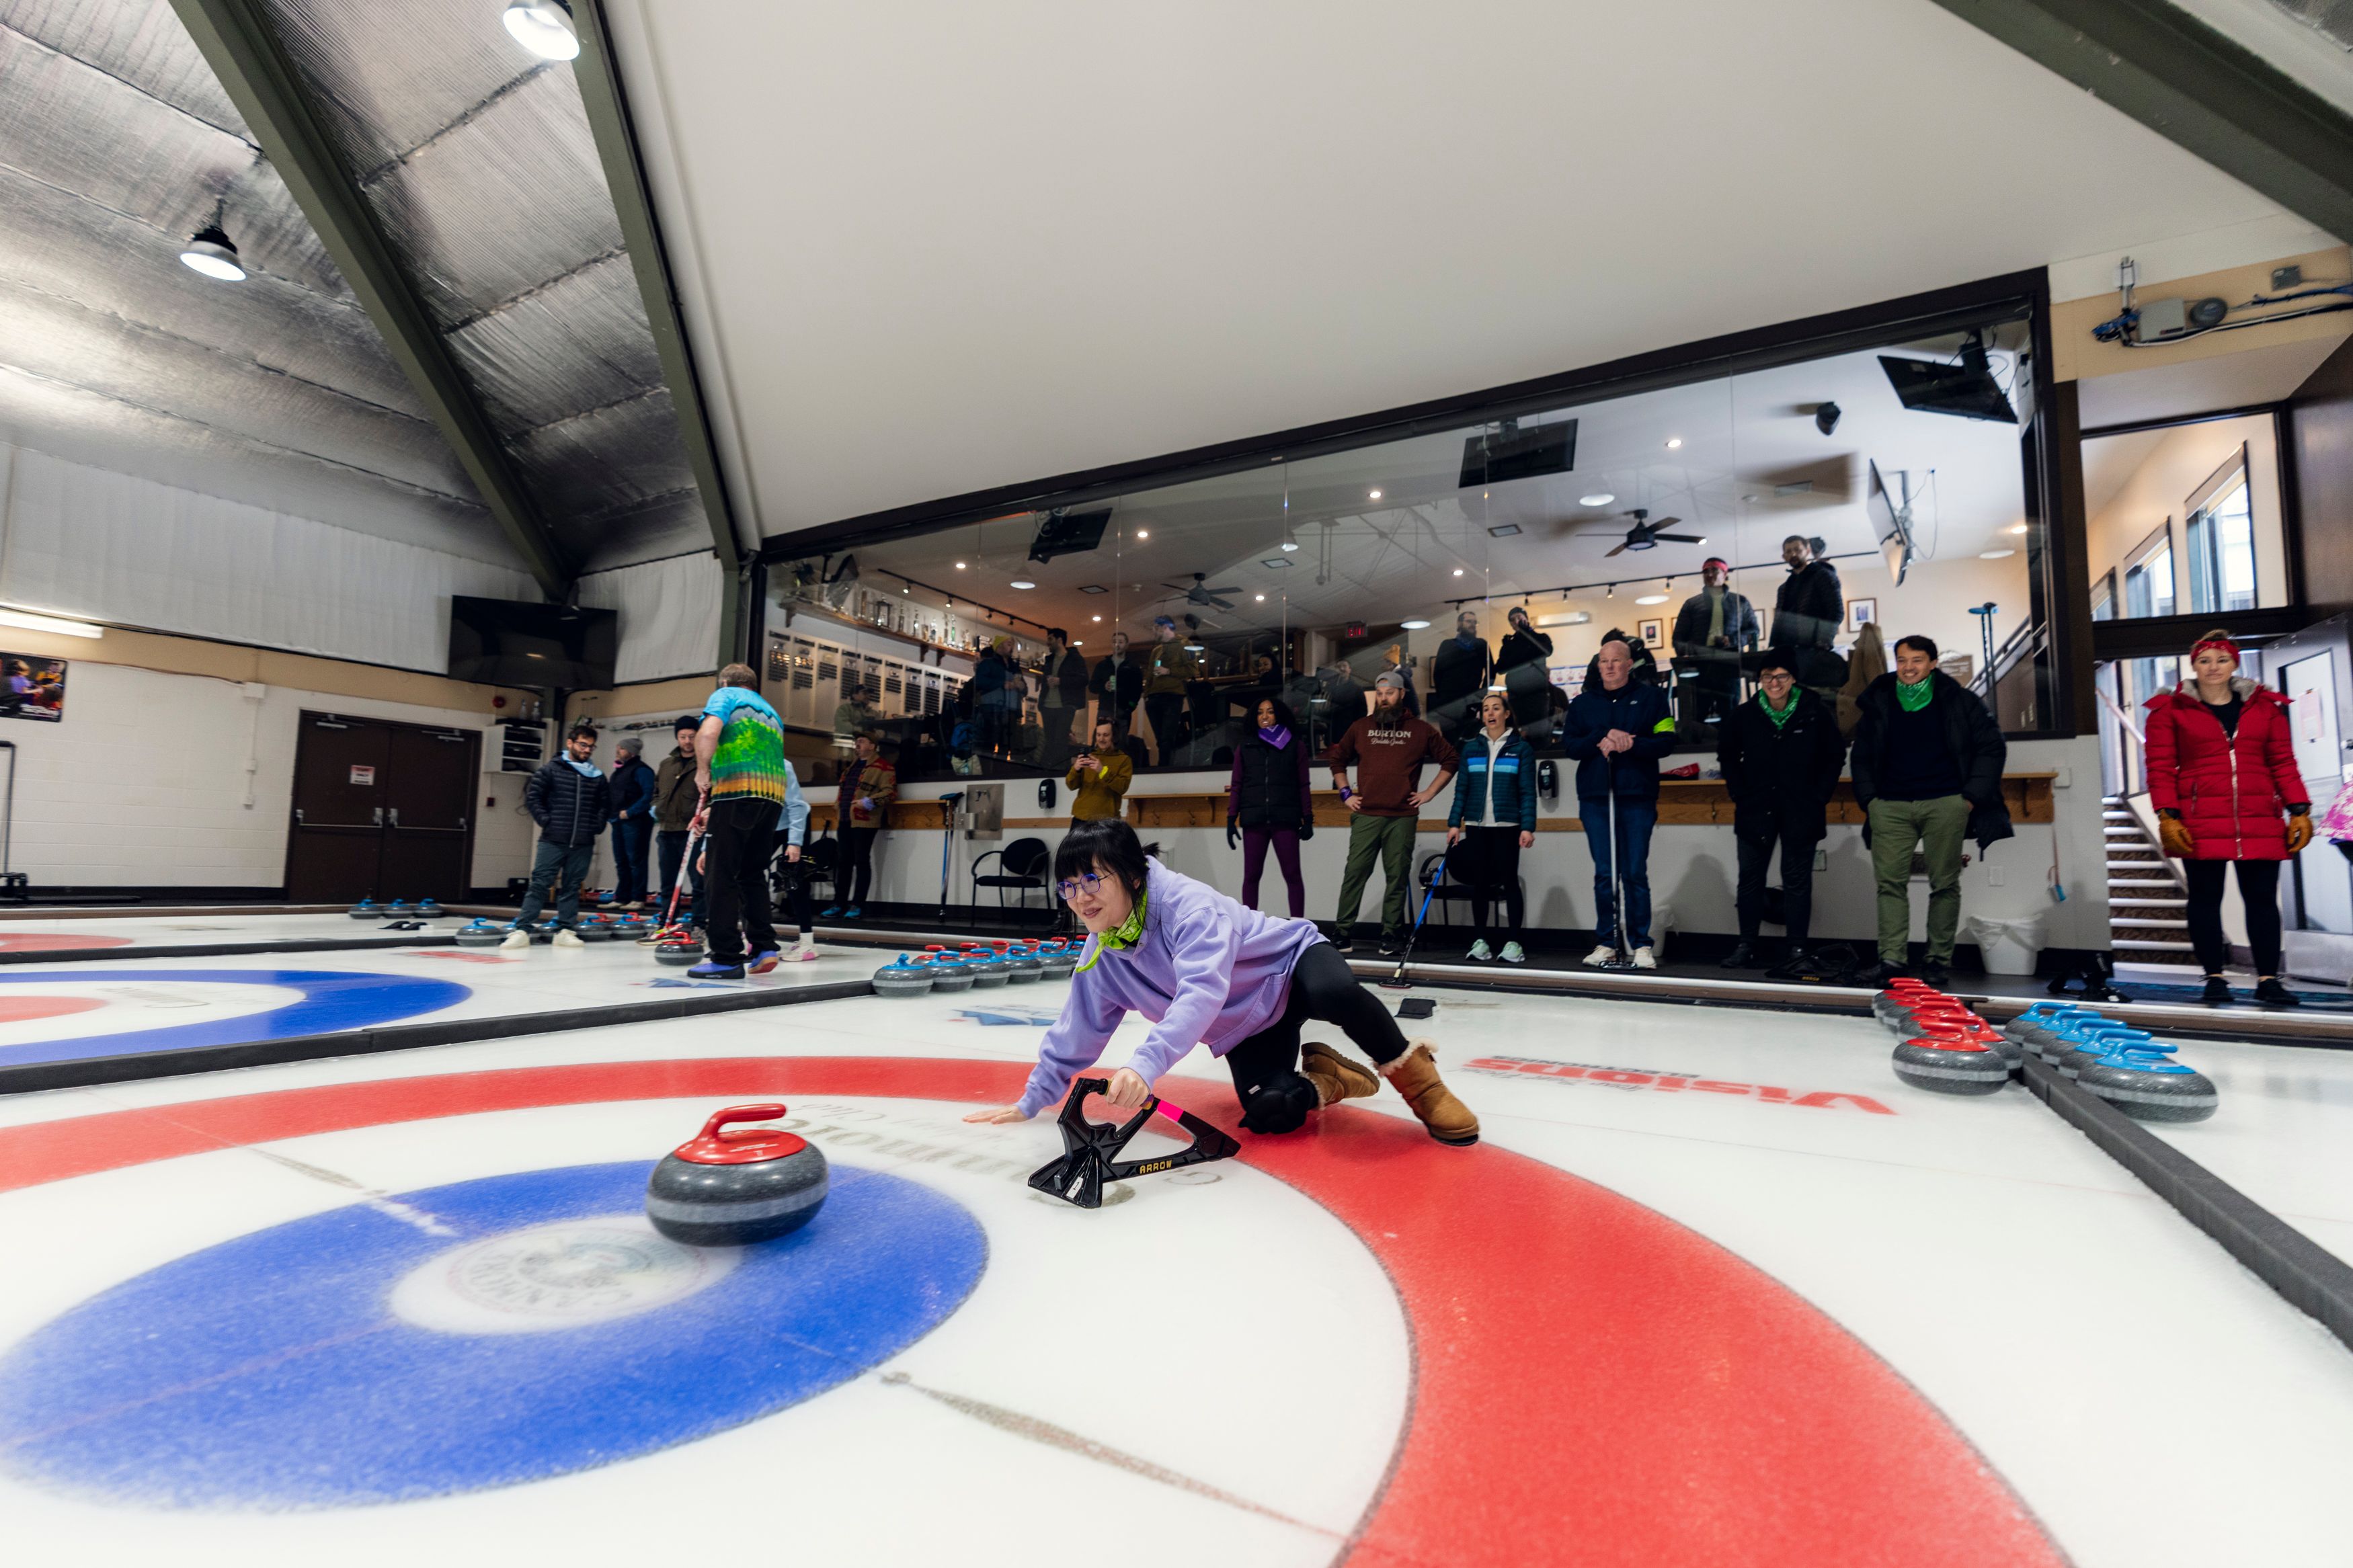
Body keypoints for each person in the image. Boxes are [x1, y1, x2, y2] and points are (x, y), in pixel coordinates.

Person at [960, 819, 1478, 1145]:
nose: (1080, 897)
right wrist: (1030, 1100)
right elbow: (1078, 1030)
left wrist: (1144, 1064)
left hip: (1290, 965)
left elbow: (1201, 994)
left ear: (1133, 875)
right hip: (1250, 1024)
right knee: (1270, 1112)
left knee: (1335, 992)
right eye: (1069, 885)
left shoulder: (1188, 908)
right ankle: (1329, 1078)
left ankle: (1423, 1085)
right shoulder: (1101, 954)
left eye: (1093, 879)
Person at [2144, 631, 2311, 1007]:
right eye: (2205, 661)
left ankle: (2268, 980)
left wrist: (2299, 809)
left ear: (2235, 663)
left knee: (2263, 900)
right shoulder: (2169, 711)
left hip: (2260, 818)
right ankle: (2215, 978)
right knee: (2205, 899)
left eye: (2222, 659)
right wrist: (2167, 815)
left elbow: (2283, 762)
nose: (2213, 667)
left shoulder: (2265, 707)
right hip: (2199, 820)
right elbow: (2159, 767)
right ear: (2194, 666)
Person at [1848, 634, 2013, 987]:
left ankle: (1937, 961)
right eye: (1902, 660)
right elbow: (1861, 755)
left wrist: (1969, 798)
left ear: (1933, 663)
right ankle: (1892, 960)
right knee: (1889, 885)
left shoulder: (1960, 700)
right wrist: (1870, 800)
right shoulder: (1879, 699)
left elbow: (1991, 747)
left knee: (1945, 884)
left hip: (1946, 803)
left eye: (1917, 660)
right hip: (1889, 806)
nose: (1908, 668)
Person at [1716, 652, 1847, 975]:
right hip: (1755, 810)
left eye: (1781, 677)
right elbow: (1727, 756)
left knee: (1797, 881)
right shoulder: (1745, 714)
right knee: (1750, 879)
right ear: (1759, 680)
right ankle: (1746, 945)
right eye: (1767, 677)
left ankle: (1797, 949)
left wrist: (1819, 797)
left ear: (1793, 679)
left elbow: (1834, 757)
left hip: (1801, 809)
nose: (1774, 683)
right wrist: (1740, 794)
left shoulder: (1815, 712)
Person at [1562, 639, 1677, 968]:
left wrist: (1631, 743)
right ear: (1598, 666)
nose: (1609, 666)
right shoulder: (1582, 703)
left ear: (1629, 664)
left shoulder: (1653, 698)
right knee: (1605, 874)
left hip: (1637, 796)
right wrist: (1601, 736)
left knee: (1635, 872)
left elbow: (1667, 741)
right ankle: (1607, 943)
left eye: (1616, 661)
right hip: (1596, 798)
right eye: (1604, 661)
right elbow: (1570, 746)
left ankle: (1641, 944)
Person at [1326, 671, 1458, 956]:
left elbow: (1451, 759)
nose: (1384, 698)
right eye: (1380, 694)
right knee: (1355, 874)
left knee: (1396, 878)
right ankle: (1342, 933)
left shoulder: (1420, 730)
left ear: (1401, 694)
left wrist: (1429, 793)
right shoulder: (1361, 727)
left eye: (1389, 693)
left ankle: (1391, 935)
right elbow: (1337, 759)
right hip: (1367, 815)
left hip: (1402, 817)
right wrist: (1346, 793)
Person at [687, 664, 804, 978]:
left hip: (737, 793)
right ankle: (764, 946)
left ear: (725, 682)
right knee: (751, 874)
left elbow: (708, 732)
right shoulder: (771, 712)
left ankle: (726, 958)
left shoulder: (726, 696)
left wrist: (703, 772)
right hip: (771, 797)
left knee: (720, 875)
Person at [1445, 691, 1536, 963]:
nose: (1491, 713)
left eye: (1496, 708)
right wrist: (1454, 824)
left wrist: (1527, 827)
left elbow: (1527, 792)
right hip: (1477, 825)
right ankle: (1481, 941)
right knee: (1480, 883)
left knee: (1509, 881)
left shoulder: (1521, 749)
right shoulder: (1471, 749)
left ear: (1506, 714)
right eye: (1486, 709)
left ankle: (1514, 943)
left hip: (1508, 825)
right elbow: (1461, 790)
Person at [506, 725, 612, 948]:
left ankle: (565, 930)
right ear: (570, 743)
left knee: (572, 887)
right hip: (553, 840)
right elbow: (533, 798)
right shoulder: (550, 771)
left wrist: (596, 826)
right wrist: (547, 821)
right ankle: (522, 930)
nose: (587, 750)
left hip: (583, 841)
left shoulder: (598, 777)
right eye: (583, 745)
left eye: (591, 746)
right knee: (540, 884)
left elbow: (604, 805)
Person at [1227, 697, 1315, 917]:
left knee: (1292, 875)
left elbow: (1303, 784)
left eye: (1270, 712)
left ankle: (1298, 926)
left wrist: (1308, 818)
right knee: (1251, 876)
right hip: (1254, 820)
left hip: (1285, 819)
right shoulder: (1245, 747)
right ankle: (1249, 927)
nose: (1265, 716)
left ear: (1279, 715)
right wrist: (1231, 819)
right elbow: (1237, 784)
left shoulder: (1295, 745)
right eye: (1260, 712)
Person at [1671, 557, 1759, 731]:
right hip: (1700, 667)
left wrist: (1731, 640)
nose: (1710, 574)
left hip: (1728, 666)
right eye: (1706, 571)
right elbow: (1678, 639)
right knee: (1697, 717)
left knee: (1730, 716)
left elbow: (1753, 632)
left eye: (1714, 570)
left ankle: (1730, 747)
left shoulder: (1740, 602)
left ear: (1725, 574)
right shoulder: (1692, 604)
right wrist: (1692, 652)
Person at [822, 732, 896, 919]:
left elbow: (890, 792)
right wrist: (838, 805)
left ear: (872, 746)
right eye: (856, 742)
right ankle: (839, 903)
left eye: (862, 741)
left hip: (865, 820)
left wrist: (869, 802)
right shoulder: (850, 768)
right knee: (843, 862)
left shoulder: (883, 767)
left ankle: (857, 905)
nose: (857, 744)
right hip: (845, 819)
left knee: (861, 861)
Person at [651, 715, 708, 930]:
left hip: (693, 833)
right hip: (667, 831)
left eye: (691, 736)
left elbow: (713, 796)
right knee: (668, 883)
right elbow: (656, 791)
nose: (687, 741)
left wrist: (704, 818)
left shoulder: (706, 763)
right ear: (677, 737)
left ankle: (699, 925)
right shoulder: (667, 764)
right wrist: (656, 808)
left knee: (698, 882)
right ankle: (666, 922)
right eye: (683, 737)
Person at [1770, 534, 1846, 690]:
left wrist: (1822, 643)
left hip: (1814, 651)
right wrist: (1776, 651)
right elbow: (1779, 622)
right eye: (1789, 551)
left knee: (1814, 696)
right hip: (1789, 654)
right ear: (1784, 557)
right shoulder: (1784, 588)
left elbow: (1836, 611)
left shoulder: (1823, 576)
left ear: (1808, 551)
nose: (1793, 554)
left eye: (1797, 550)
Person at [606, 735, 656, 909]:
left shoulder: (642, 771)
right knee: (621, 861)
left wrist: (630, 812)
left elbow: (649, 795)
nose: (618, 751)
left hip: (636, 822)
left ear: (631, 752)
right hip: (618, 821)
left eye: (622, 748)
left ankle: (638, 898)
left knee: (636, 860)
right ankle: (622, 897)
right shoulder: (620, 771)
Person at [1429, 610, 1492, 744]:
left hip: (1470, 700)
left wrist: (1482, 694)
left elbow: (1491, 671)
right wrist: (1442, 697)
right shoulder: (1447, 644)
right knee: (1449, 741)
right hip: (1448, 702)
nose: (1472, 625)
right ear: (1459, 623)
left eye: (1475, 622)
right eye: (1469, 621)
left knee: (1469, 739)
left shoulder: (1481, 645)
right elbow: (1438, 673)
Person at [1143, 616, 1199, 765]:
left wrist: (1168, 671)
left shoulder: (1184, 644)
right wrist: (1147, 695)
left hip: (1172, 696)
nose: (1154, 632)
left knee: (1167, 738)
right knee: (1161, 739)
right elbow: (1150, 675)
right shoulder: (1157, 650)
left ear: (1165, 627)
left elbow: (1193, 670)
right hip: (1154, 697)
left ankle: (1165, 767)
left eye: (1156, 628)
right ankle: (1165, 766)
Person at [1039, 628, 1090, 775]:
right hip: (1048, 705)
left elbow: (1083, 679)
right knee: (1050, 740)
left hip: (1065, 705)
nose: (1048, 642)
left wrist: (1061, 681)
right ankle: (1051, 770)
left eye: (1050, 639)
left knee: (1060, 740)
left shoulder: (1074, 658)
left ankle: (1059, 771)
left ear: (1059, 640)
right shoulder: (1050, 660)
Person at [1496, 606, 1555, 729]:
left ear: (1526, 619)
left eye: (1519, 617)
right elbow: (1500, 668)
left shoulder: (1541, 637)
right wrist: (1508, 647)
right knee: (1518, 729)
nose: (1516, 621)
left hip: (1536, 694)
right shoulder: (1510, 644)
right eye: (1512, 620)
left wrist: (1527, 632)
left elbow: (1547, 651)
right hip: (1516, 695)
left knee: (1538, 730)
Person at [1090, 630, 1142, 741]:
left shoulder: (1133, 667)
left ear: (1127, 644)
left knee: (1120, 741)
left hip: (1123, 709)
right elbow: (1092, 686)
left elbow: (1137, 690)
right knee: (1102, 740)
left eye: (1120, 642)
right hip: (1105, 708)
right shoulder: (1102, 665)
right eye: (1114, 642)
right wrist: (1104, 686)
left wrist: (1129, 708)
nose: (1117, 645)